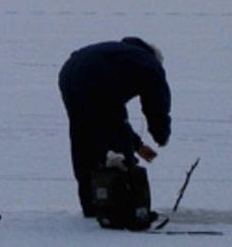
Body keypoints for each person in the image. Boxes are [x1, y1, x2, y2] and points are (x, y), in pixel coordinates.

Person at [58, 36, 171, 217]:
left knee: (83, 136)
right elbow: (157, 104)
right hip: (96, 73)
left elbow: (108, 117)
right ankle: (126, 207)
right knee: (118, 145)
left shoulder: (122, 54)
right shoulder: (150, 64)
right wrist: (161, 134)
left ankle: (93, 205)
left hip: (69, 72)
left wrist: (138, 146)